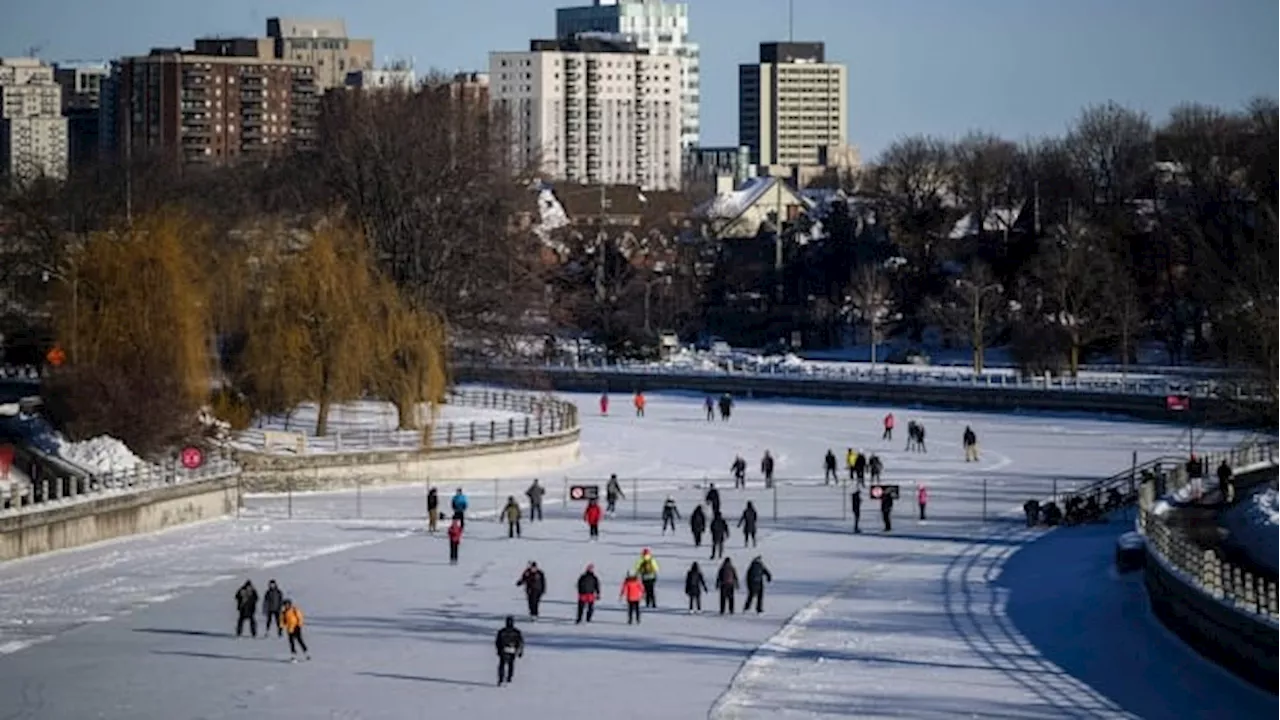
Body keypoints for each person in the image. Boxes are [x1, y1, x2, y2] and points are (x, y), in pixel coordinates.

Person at [495, 616, 525, 686]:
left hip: (506, 649)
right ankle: (507, 678)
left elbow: (497, 642)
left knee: (504, 664)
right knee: (508, 664)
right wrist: (520, 651)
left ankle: (503, 678)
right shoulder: (516, 632)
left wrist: (498, 649)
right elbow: (520, 642)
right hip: (509, 649)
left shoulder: (502, 631)